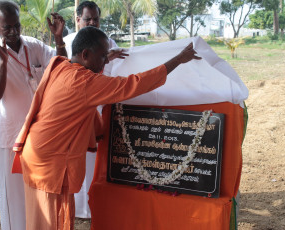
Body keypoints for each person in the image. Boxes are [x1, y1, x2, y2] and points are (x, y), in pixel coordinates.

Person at [12, 26, 201, 229]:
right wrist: (177, 60)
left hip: (38, 154)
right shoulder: (83, 81)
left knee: (42, 221)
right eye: (102, 56)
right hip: (51, 164)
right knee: (52, 223)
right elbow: (132, 84)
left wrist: (106, 57)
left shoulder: (62, 66)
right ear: (85, 54)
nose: (104, 61)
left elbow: (87, 79)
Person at [0, 1, 66, 229]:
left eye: (16, 26)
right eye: (6, 27)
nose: (13, 32)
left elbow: (63, 68)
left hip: (39, 136)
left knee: (38, 193)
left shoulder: (33, 46)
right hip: (11, 138)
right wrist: (3, 62)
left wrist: (59, 41)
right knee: (15, 199)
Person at [63, 1, 127, 218]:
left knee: (98, 158)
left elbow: (114, 72)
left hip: (101, 106)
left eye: (95, 19)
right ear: (78, 19)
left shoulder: (107, 41)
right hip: (77, 111)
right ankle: (79, 206)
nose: (92, 22)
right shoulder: (67, 42)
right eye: (87, 19)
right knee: (79, 156)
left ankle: (93, 205)